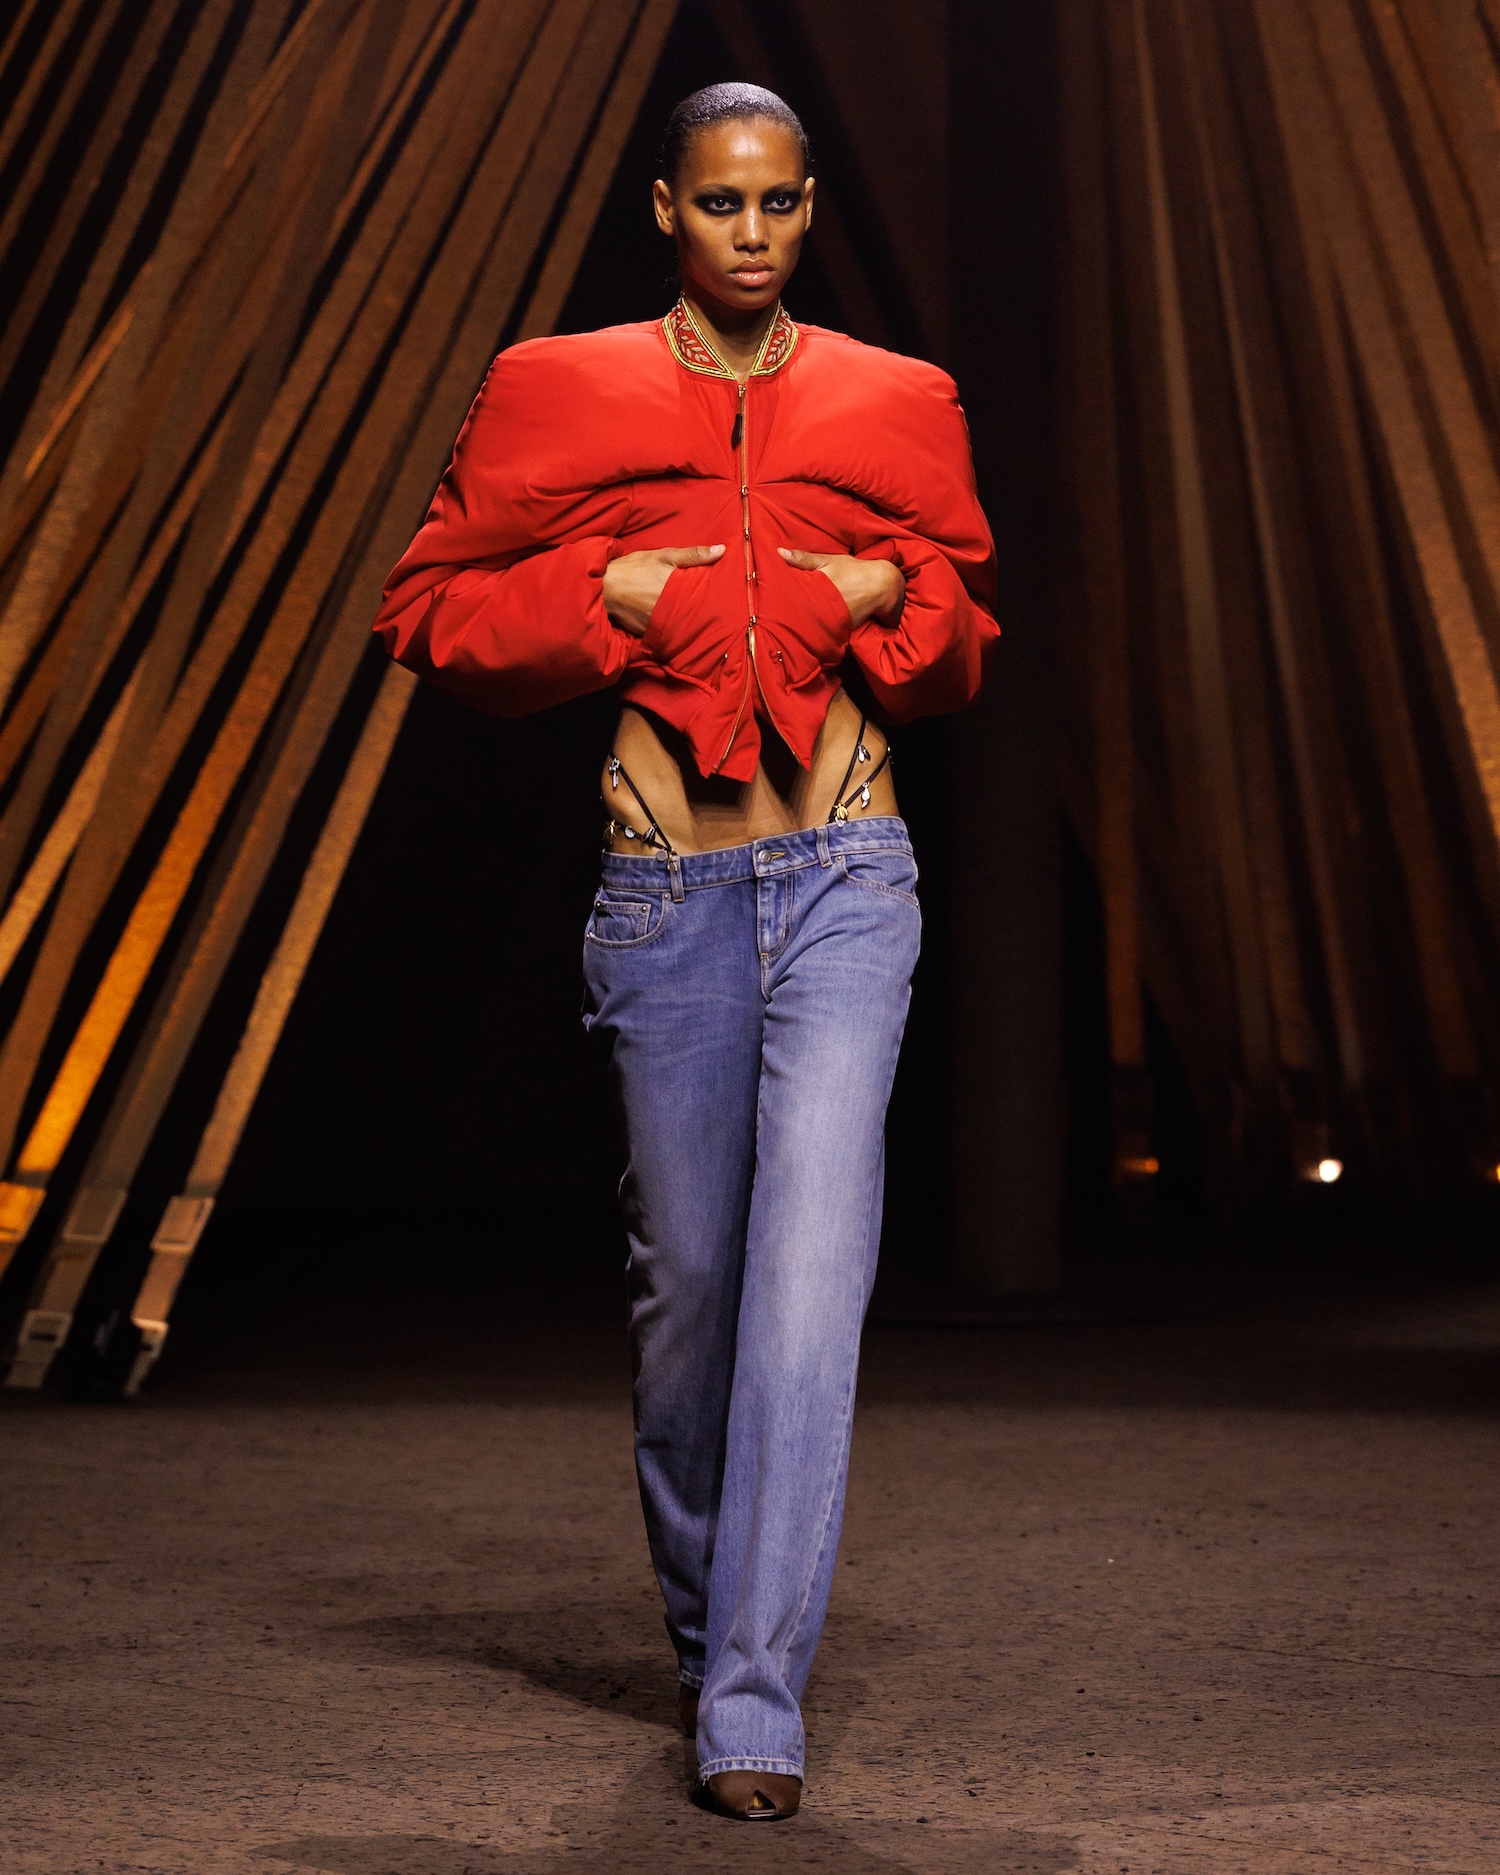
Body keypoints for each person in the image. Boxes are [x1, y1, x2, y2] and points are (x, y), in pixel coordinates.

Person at [374, 82, 997, 1821]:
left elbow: (963, 641)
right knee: (693, 1300)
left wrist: (888, 596)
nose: (753, 232)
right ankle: (710, 1625)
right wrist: (610, 601)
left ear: (809, 205)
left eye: (781, 202)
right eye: (721, 202)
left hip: (849, 876)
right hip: (665, 893)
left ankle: (751, 1700)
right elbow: (425, 611)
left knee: (810, 1286)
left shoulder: (898, 397)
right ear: (666, 207)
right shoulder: (553, 386)